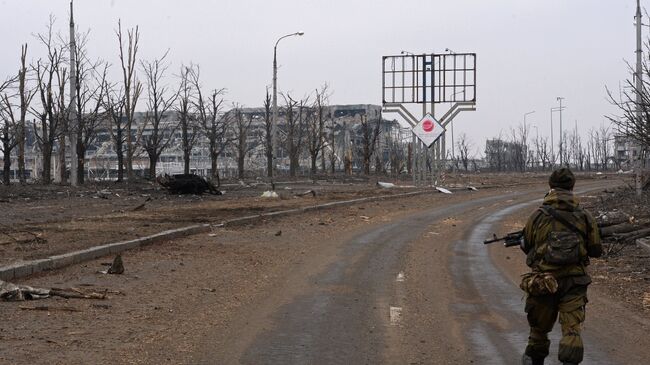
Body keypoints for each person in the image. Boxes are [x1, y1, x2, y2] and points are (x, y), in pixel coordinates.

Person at [520, 168, 602, 365]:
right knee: (572, 329)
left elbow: (527, 245)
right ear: (572, 186)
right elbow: (595, 249)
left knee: (539, 329)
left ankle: (534, 360)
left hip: (544, 283)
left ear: (550, 186)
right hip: (574, 282)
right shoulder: (584, 216)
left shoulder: (538, 216)